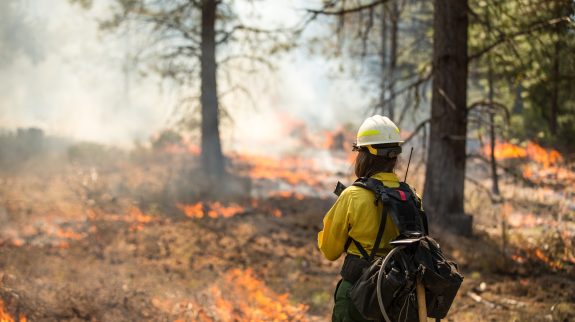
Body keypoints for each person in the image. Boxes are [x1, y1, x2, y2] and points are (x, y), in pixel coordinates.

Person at [318, 115, 424, 322]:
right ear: (395, 156)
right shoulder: (412, 197)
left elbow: (330, 251)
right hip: (397, 300)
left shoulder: (352, 196)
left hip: (358, 295)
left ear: (365, 155)